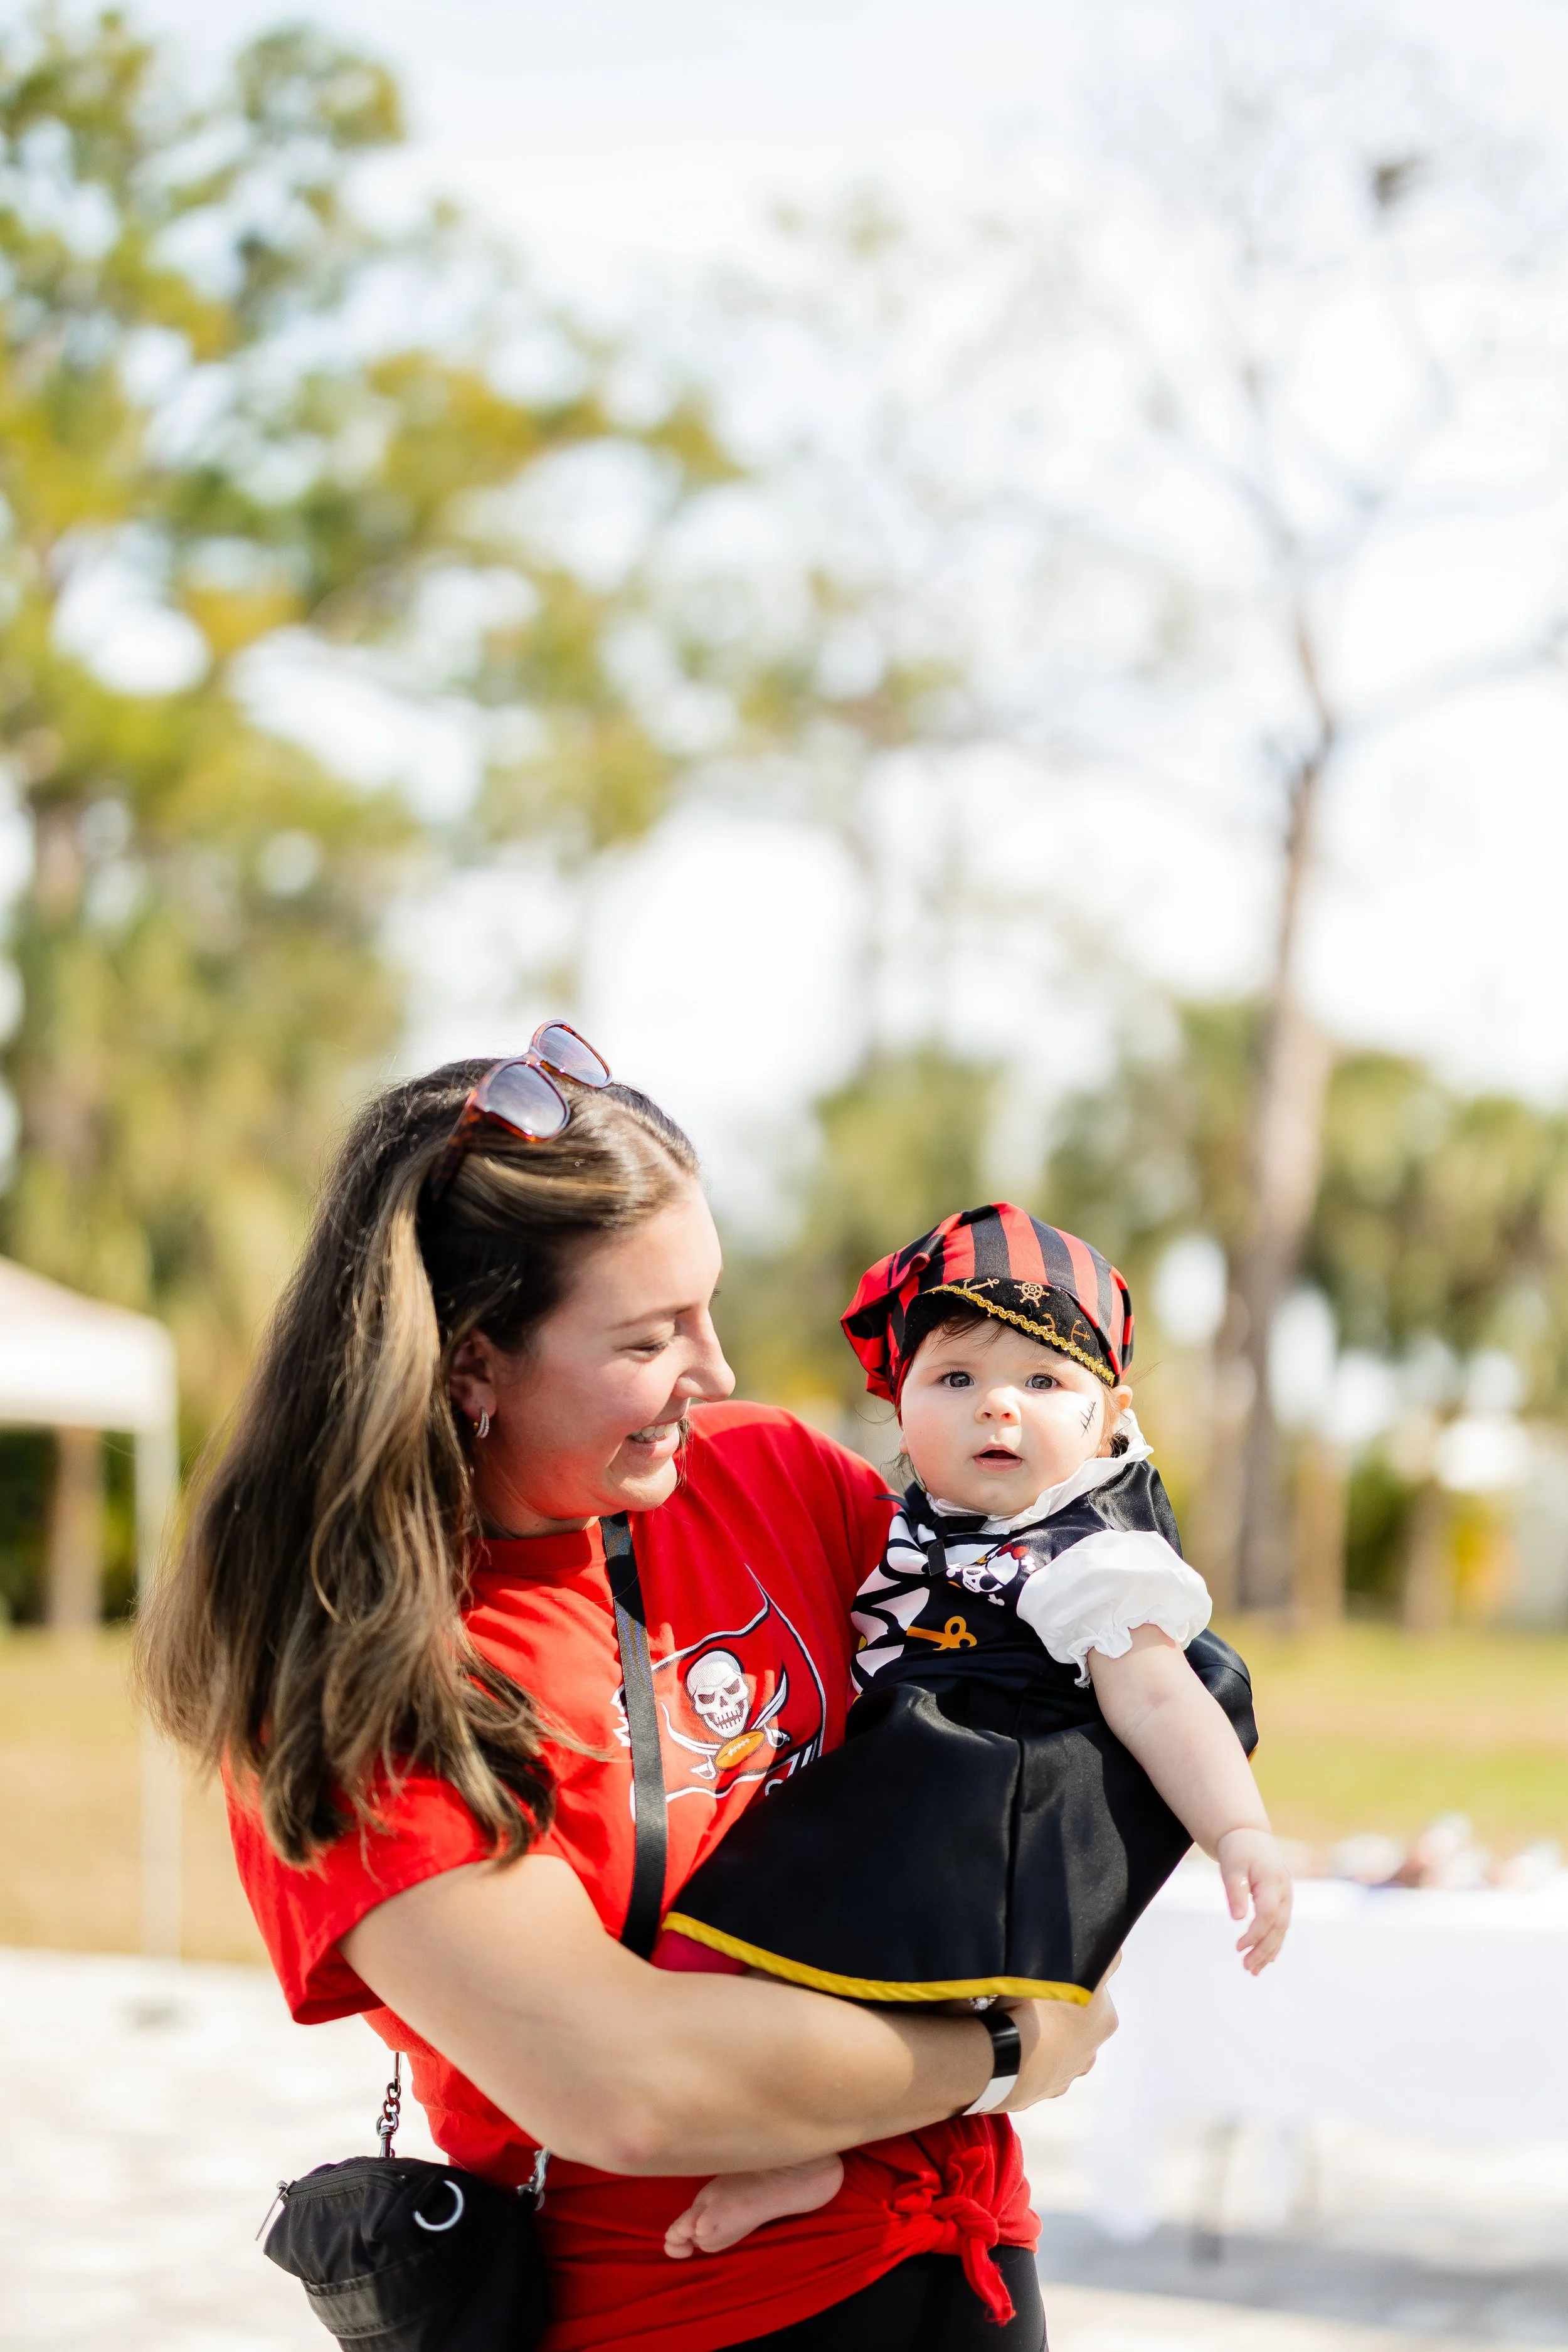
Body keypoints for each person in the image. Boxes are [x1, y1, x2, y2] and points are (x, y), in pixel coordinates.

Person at [137, 1037, 1118, 2352]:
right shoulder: (352, 1674)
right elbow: (626, 2088)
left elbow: (1060, 1667)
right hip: (670, 2322)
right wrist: (1001, 2055)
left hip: (971, 2272)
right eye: (650, 1338)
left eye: (705, 1311)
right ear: (471, 1363)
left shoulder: (771, 1478)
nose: (712, 1373)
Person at [659, 1204, 1291, 2262]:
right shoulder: (910, 1522)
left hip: (988, 1824)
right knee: (795, 1964)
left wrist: (1241, 1832)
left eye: (1045, 1382)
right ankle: (810, 2147)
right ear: (897, 1405)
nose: (998, 1405)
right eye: (954, 1380)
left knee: (827, 1954)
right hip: (910, 1793)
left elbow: (1160, 1697)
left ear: (1108, 1413)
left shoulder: (1091, 1550)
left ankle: (800, 2147)